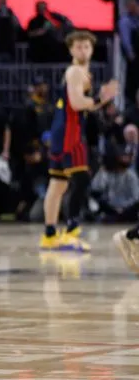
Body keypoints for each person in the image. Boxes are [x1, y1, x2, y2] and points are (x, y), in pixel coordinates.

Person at [44, 31, 117, 251]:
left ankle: (49, 234)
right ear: (70, 50)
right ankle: (71, 231)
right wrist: (99, 98)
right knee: (81, 179)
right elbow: (77, 104)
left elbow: (86, 105)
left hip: (62, 131)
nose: (83, 50)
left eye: (86, 46)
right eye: (78, 47)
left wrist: (102, 99)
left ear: (92, 49)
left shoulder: (83, 73)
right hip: (70, 132)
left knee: (58, 185)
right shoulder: (75, 71)